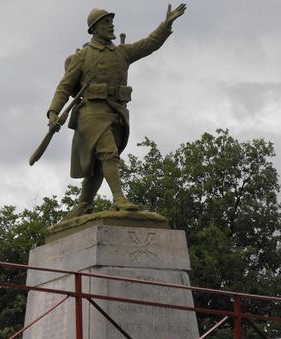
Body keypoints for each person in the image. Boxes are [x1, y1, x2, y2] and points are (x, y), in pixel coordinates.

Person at [48, 4, 186, 219]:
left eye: (111, 21)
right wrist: (53, 112)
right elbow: (65, 87)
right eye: (106, 22)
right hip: (91, 114)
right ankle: (119, 198)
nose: (111, 25)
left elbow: (149, 44)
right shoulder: (82, 56)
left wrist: (165, 25)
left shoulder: (122, 53)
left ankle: (83, 204)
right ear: (94, 28)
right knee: (107, 152)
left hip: (117, 112)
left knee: (97, 166)